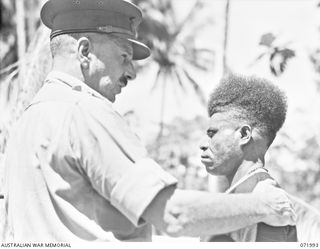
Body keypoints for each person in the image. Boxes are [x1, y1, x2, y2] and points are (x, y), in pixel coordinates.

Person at [3, 0, 295, 242]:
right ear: (84, 51)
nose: (131, 72)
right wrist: (266, 205)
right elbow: (173, 215)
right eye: (123, 56)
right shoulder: (84, 111)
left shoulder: (28, 121)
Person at [200, 74, 297, 241]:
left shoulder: (266, 200)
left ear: (244, 134)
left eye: (212, 133)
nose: (203, 144)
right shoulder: (246, 198)